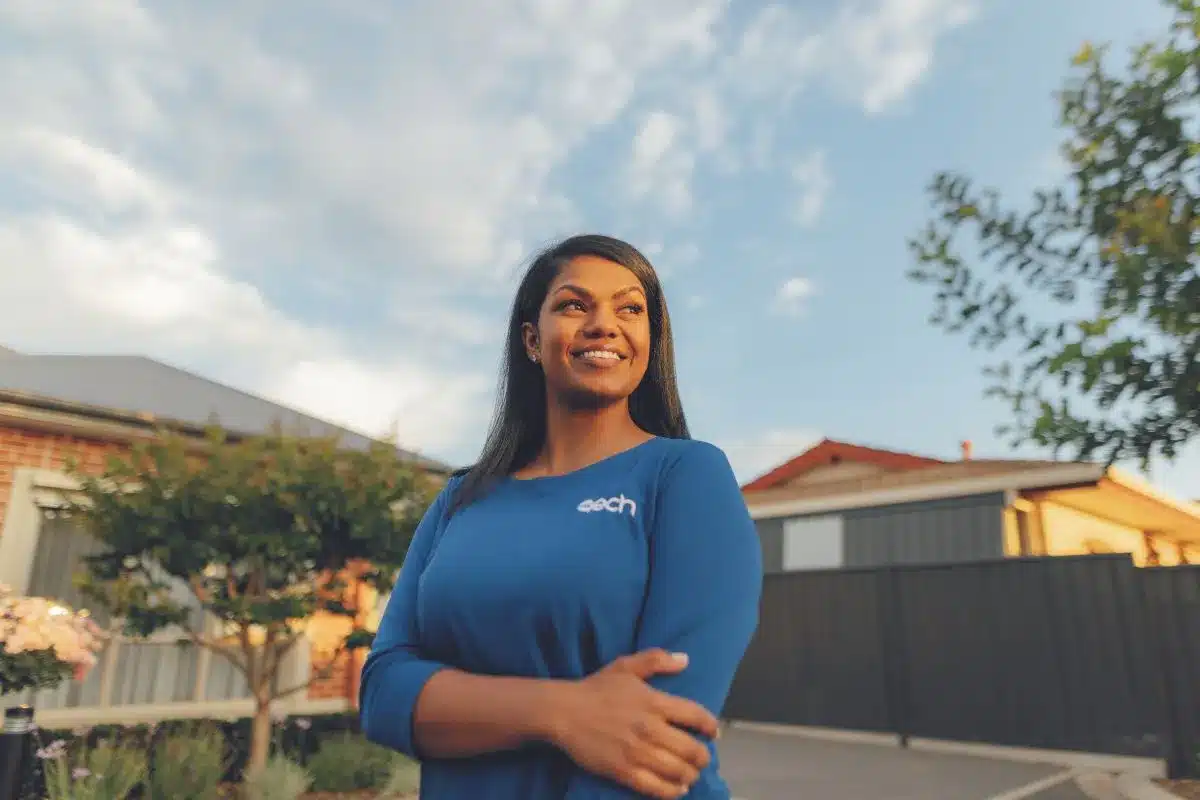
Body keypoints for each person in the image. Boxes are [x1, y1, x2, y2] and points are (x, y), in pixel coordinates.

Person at [360, 234, 763, 799]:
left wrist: (459, 701)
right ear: (532, 339)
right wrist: (563, 711)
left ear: (650, 341)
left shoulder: (685, 476)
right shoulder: (459, 500)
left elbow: (658, 733)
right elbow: (383, 695)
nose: (605, 324)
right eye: (576, 305)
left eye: (630, 309)